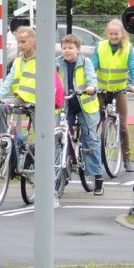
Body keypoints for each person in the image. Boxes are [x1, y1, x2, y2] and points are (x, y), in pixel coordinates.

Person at [0, 26, 64, 206]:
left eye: (23, 42)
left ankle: (51, 192)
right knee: (1, 107)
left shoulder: (44, 60)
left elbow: (53, 84)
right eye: (18, 42)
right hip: (20, 100)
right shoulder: (17, 62)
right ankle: (7, 143)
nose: (20, 45)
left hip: (38, 103)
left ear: (33, 40)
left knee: (44, 147)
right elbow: (8, 83)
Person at [56, 34, 105, 195]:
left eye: (70, 48)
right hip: (66, 104)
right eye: (64, 48)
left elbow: (91, 78)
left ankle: (97, 177)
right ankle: (61, 171)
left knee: (91, 140)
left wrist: (91, 87)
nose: (67, 51)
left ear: (78, 49)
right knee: (60, 136)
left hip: (85, 105)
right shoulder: (57, 63)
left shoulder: (85, 62)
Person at [92, 18, 134, 173]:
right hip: (101, 90)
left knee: (122, 125)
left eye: (117, 34)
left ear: (122, 34)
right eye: (111, 34)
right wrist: (89, 84)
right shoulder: (100, 47)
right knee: (94, 122)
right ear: (108, 34)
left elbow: (133, 68)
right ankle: (93, 156)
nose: (114, 36)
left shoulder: (127, 48)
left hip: (119, 90)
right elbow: (92, 66)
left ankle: (127, 158)